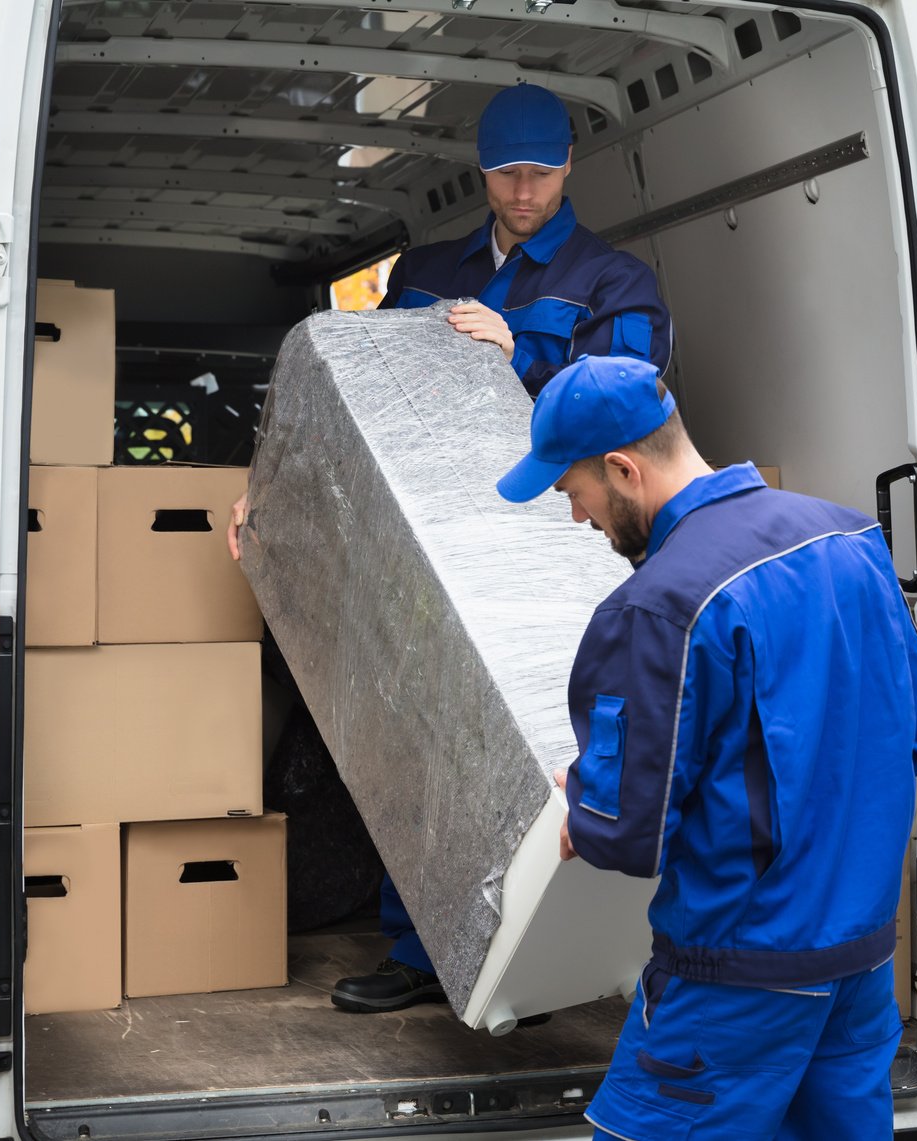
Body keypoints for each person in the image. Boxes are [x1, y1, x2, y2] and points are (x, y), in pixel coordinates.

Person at [228, 85, 672, 1016]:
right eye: (506, 175)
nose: (523, 193)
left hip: (549, 549)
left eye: (540, 174)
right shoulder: (428, 269)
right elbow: (362, 397)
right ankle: (419, 945)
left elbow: (631, 407)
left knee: (549, 750)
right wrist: (277, 493)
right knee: (416, 735)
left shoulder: (613, 281)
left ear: (566, 168)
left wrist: (518, 356)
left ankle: (543, 956)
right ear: (481, 171)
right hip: (422, 547)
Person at [495, 355, 917, 1138]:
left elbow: (625, 830)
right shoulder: (849, 539)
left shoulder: (658, 606)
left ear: (621, 469)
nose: (577, 518)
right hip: (860, 963)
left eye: (573, 494)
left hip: (738, 976)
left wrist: (582, 805)